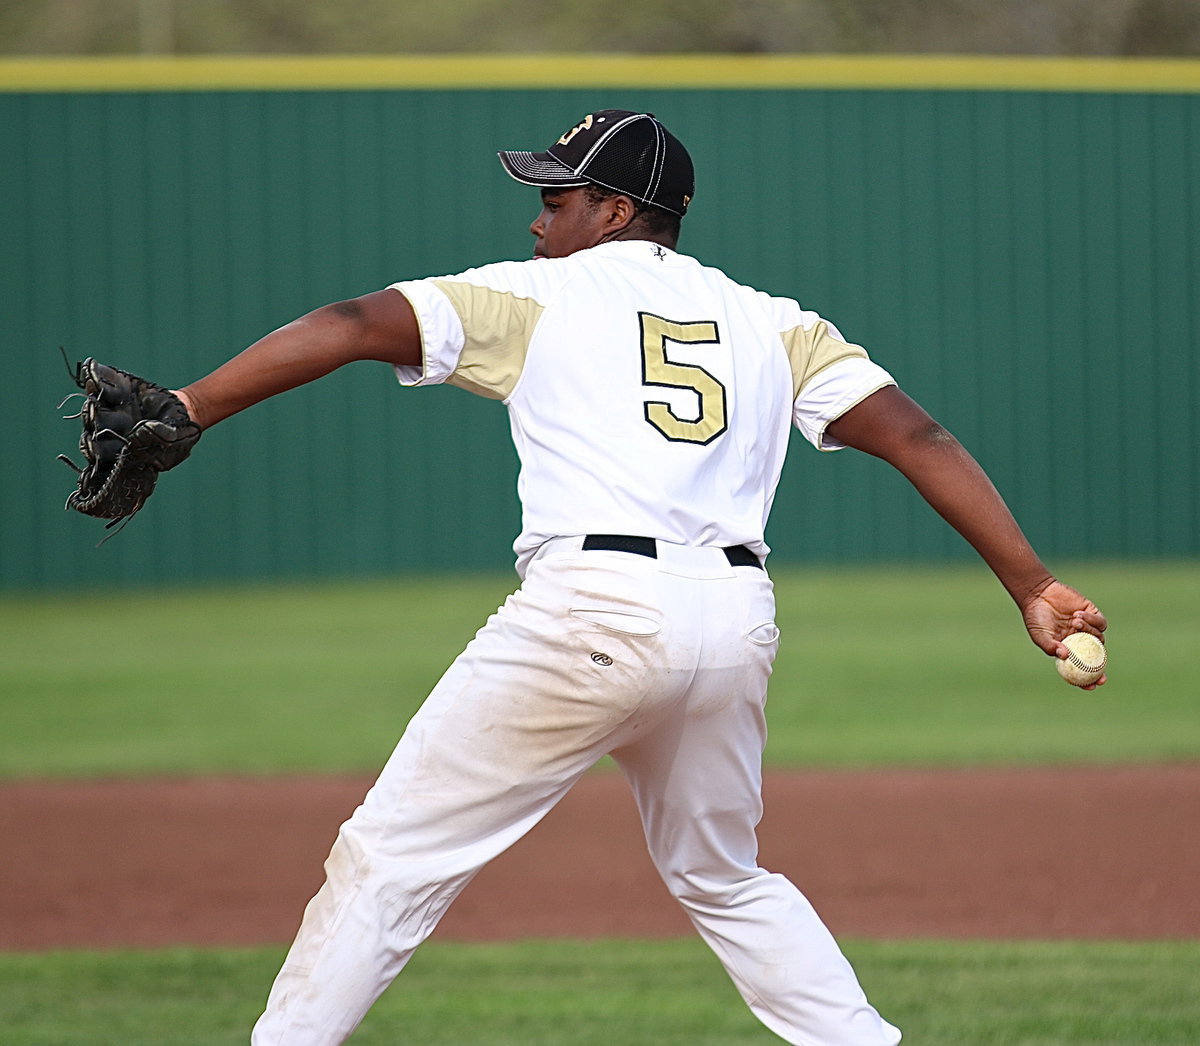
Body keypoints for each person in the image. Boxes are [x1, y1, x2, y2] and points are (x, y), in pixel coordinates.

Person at [170, 110, 1106, 1045]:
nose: (537, 223)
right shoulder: (774, 322)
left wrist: (192, 405)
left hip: (592, 614)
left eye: (556, 199)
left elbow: (350, 324)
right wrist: (1030, 583)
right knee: (725, 878)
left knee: (390, 859)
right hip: (734, 622)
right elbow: (917, 436)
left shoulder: (540, 297)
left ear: (615, 212)